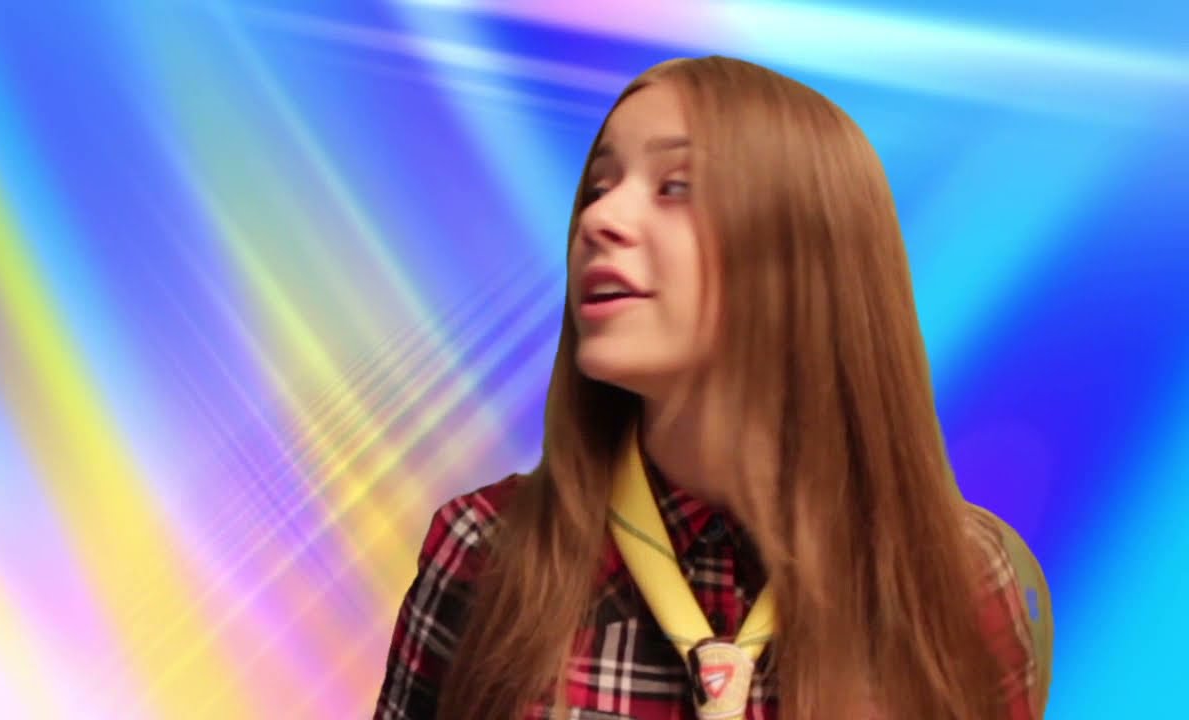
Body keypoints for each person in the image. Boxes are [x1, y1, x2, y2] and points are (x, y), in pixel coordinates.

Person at [373, 55, 1051, 720]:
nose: (598, 220)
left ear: (807, 254)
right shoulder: (485, 550)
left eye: (675, 187)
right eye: (599, 187)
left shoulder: (960, 578)